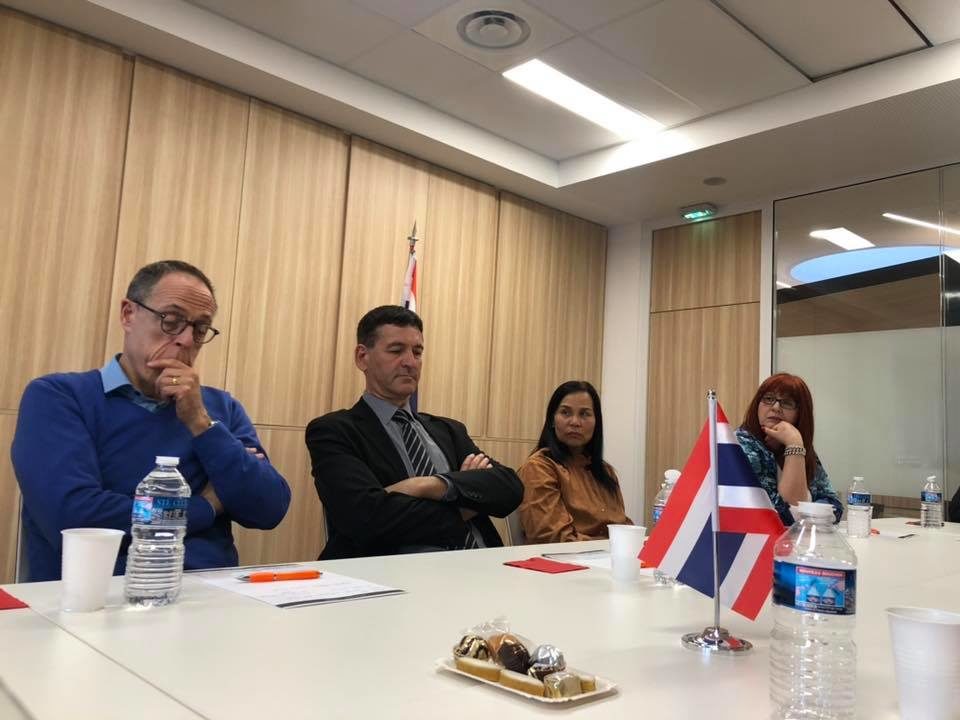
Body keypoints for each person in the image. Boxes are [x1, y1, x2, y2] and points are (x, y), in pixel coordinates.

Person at [12, 260, 291, 581]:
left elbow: (268, 508)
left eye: (200, 329)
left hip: (212, 594)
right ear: (128, 314)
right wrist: (206, 506)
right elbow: (76, 517)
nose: (187, 340)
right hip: (99, 593)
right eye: (171, 321)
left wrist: (201, 424)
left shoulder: (219, 408)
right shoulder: (59, 397)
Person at [305, 305, 523, 559]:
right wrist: (467, 500)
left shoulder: (449, 430)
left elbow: (510, 488)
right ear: (362, 357)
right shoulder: (334, 431)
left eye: (417, 352)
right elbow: (367, 518)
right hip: (394, 572)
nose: (410, 362)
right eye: (396, 350)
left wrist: (429, 484)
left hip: (484, 565)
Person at [518, 381, 632, 543]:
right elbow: (551, 537)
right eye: (565, 412)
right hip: (565, 557)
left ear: (596, 423)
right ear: (552, 420)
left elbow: (622, 526)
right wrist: (611, 546)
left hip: (610, 555)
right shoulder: (539, 467)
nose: (575, 422)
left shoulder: (605, 471)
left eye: (585, 414)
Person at [736, 372, 842, 525]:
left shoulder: (802, 447)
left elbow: (834, 506)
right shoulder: (741, 446)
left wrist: (794, 444)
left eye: (787, 402)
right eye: (768, 399)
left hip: (803, 538)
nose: (776, 407)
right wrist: (794, 444)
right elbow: (781, 517)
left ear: (801, 413)